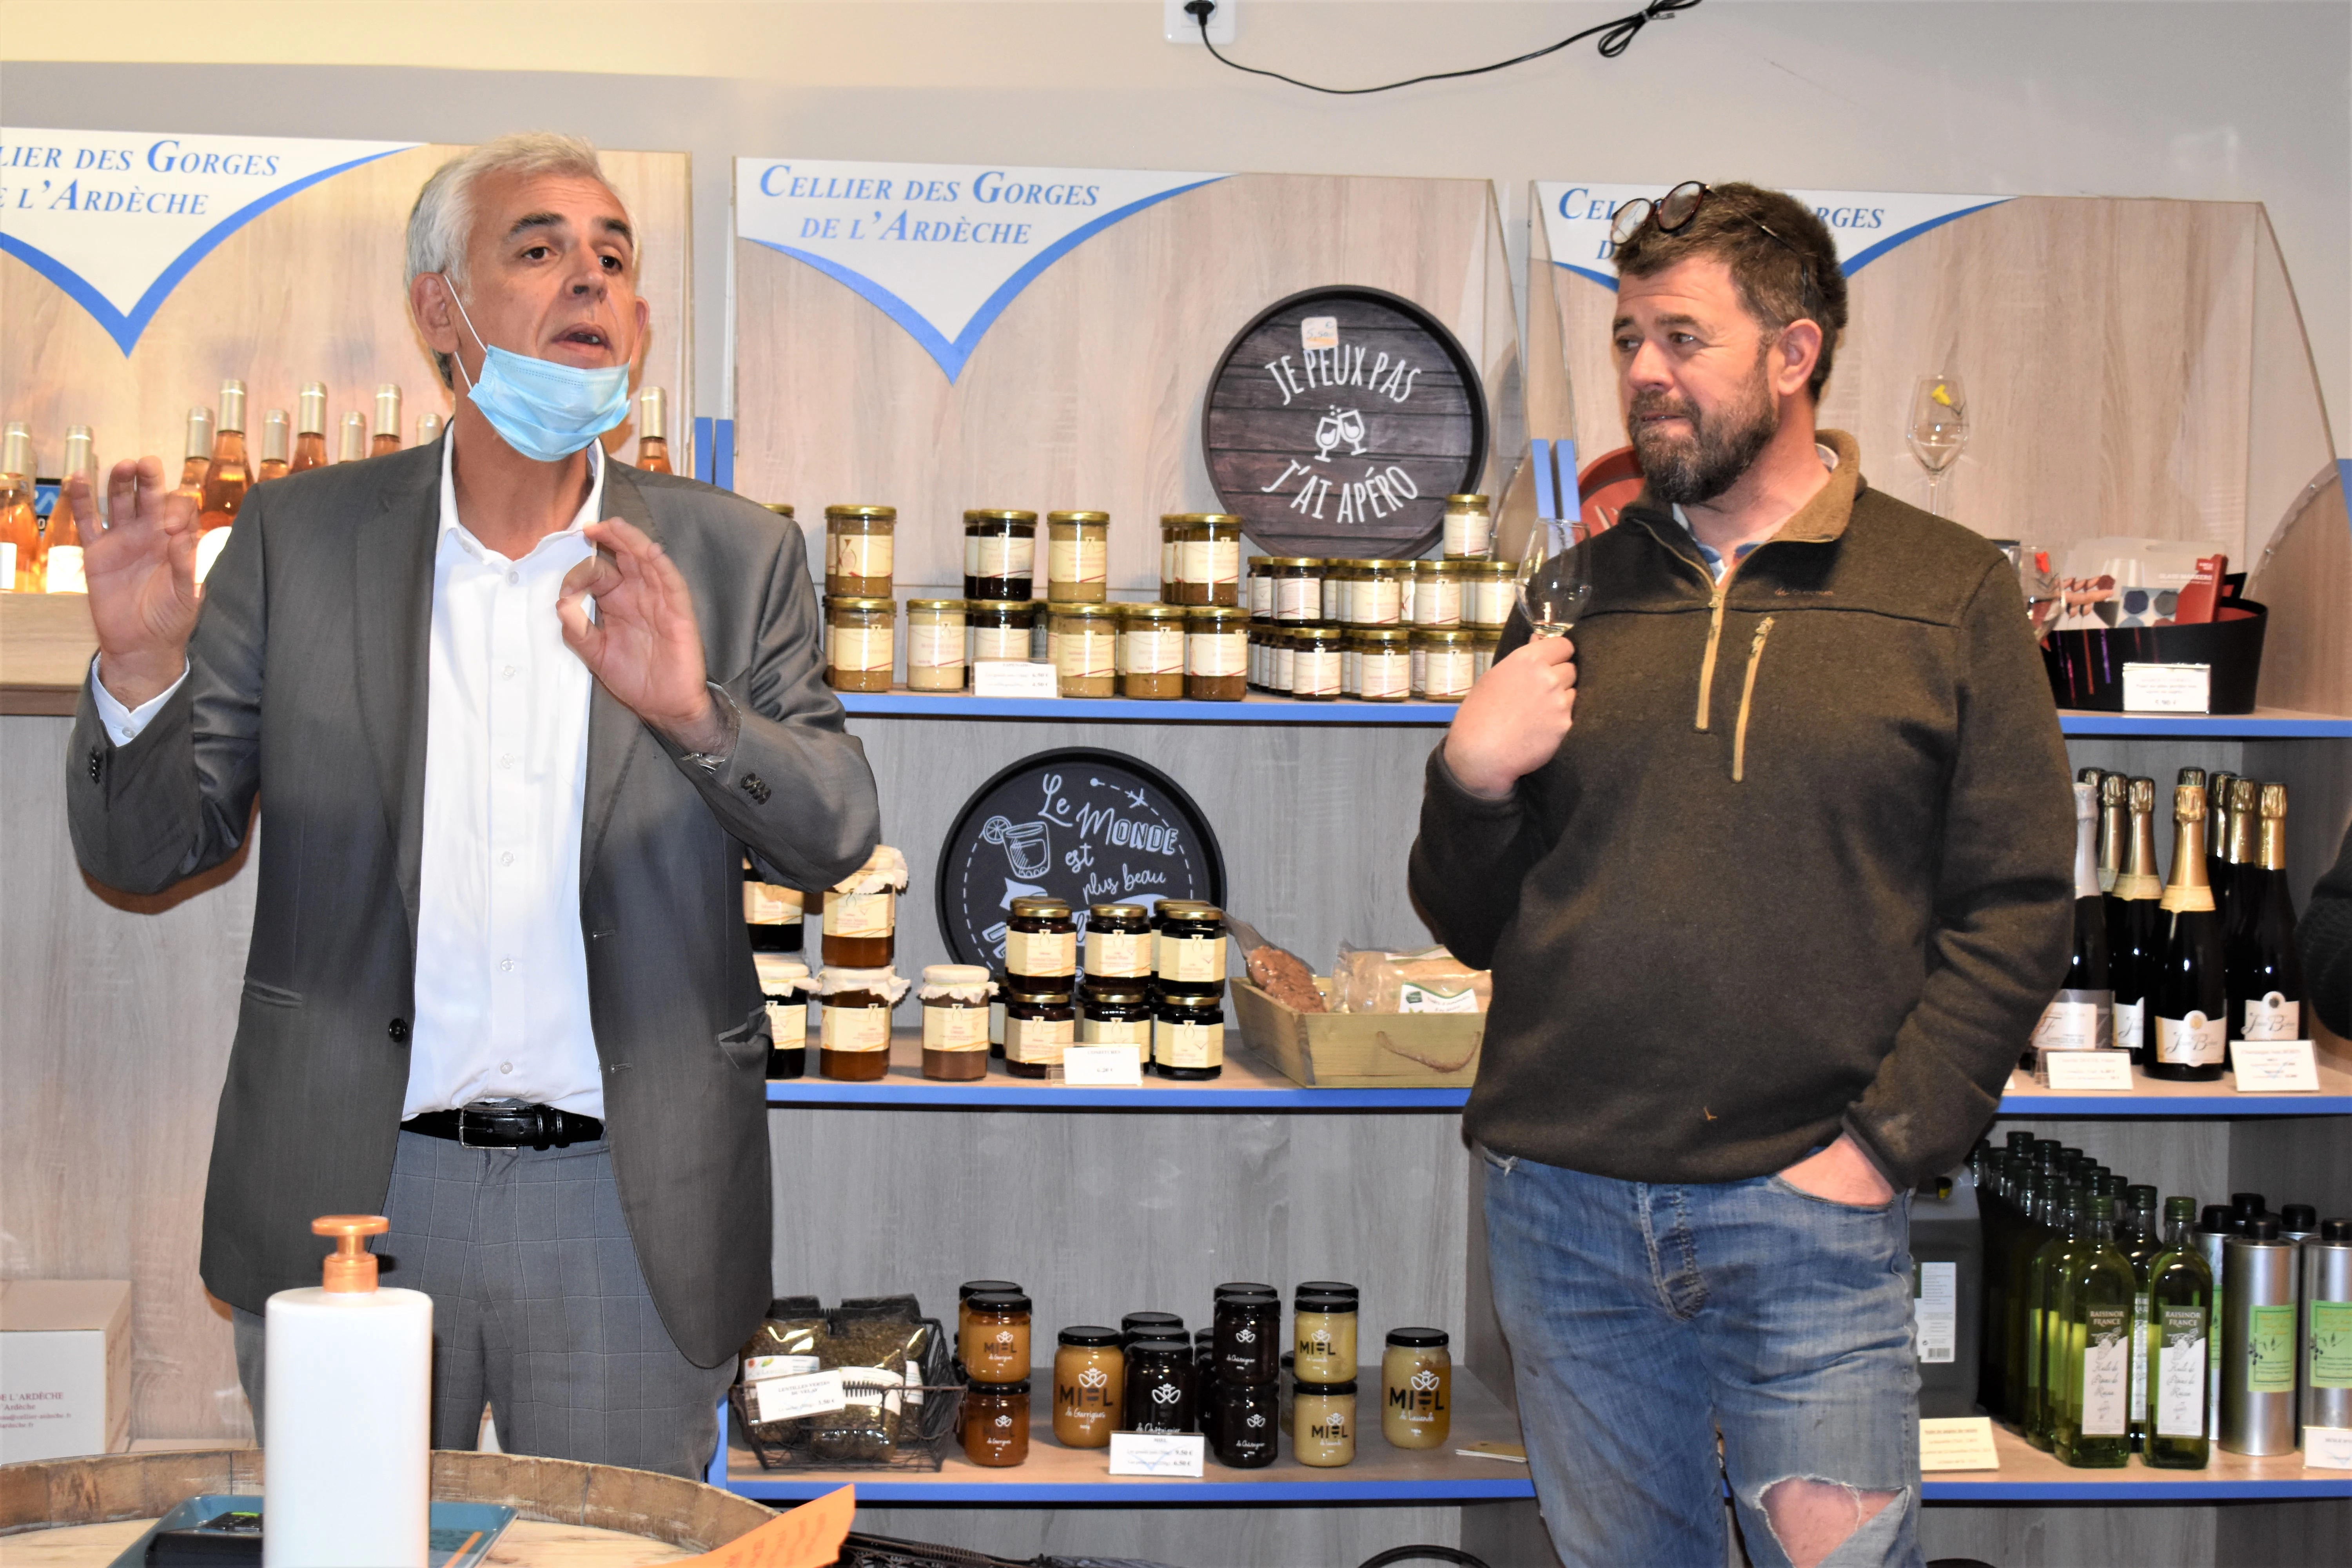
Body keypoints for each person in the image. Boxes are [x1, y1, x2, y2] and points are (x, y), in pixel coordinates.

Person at [62, 133, 878, 1479]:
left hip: (631, 1206)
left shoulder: (732, 557)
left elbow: (836, 831)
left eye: (614, 257)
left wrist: (692, 714)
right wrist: (144, 675)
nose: (591, 281)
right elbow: (151, 854)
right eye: (541, 249)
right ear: (441, 311)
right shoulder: (299, 540)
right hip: (358, 1192)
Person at [1411, 182, 2073, 1568]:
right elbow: (1475, 924)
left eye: (1683, 339)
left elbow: (2014, 908)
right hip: (1566, 1213)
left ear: (1795, 353)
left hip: (1809, 1222)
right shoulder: (1574, 594)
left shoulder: (1945, 596)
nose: (1646, 374)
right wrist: (1470, 780)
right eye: (1629, 338)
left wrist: (1882, 1150)